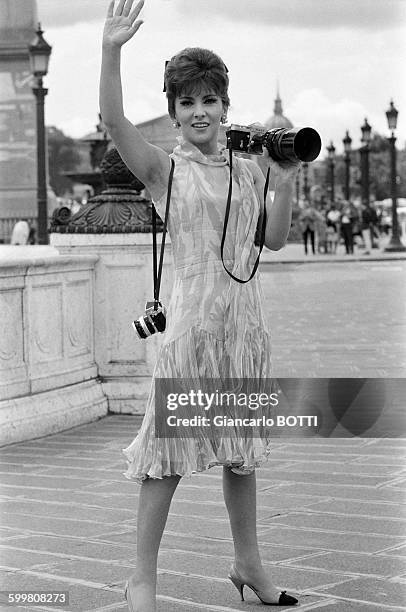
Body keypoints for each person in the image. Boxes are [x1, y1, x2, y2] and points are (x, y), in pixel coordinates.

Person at [100, 1, 300, 610]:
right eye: (186, 102)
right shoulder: (166, 171)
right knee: (165, 458)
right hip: (189, 333)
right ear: (174, 112)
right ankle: (142, 576)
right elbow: (114, 123)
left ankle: (248, 562)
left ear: (224, 105)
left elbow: (273, 239)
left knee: (242, 454)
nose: (199, 112)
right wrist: (110, 52)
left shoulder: (246, 170)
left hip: (242, 331)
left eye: (208, 99)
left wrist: (284, 176)